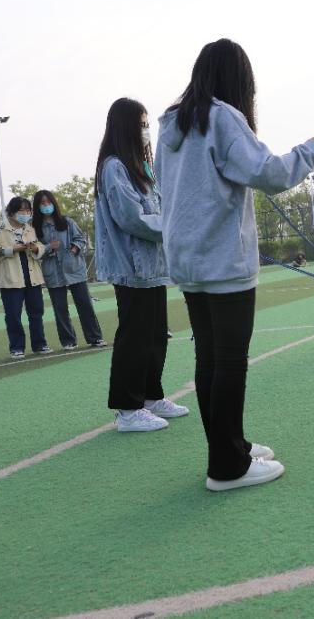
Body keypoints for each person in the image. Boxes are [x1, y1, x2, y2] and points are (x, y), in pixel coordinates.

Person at [156, 38, 314, 491]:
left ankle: (230, 447)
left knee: (210, 358)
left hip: (188, 259)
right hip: (222, 257)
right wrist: (310, 150)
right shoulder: (222, 117)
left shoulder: (173, 124)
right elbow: (269, 173)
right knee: (229, 362)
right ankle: (227, 466)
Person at [95, 97, 188, 432]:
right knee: (134, 337)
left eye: (147, 124)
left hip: (153, 266)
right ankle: (127, 408)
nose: (146, 130)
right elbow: (131, 217)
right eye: (142, 123)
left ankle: (151, 396)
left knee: (156, 334)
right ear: (125, 126)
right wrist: (172, 227)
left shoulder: (142, 167)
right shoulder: (114, 167)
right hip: (131, 267)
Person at [32, 190, 106, 350]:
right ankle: (68, 341)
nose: (46, 206)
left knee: (85, 304)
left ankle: (95, 338)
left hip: (74, 269)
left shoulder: (67, 222)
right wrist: (49, 247)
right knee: (60, 309)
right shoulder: (35, 228)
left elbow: (80, 239)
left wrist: (74, 249)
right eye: (42, 203)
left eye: (48, 202)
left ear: (53, 203)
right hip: (53, 273)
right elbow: (35, 251)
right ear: (37, 207)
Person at [0, 197, 52, 359]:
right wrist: (12, 249)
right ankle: (17, 347)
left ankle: (40, 344)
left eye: (28, 211)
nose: (25, 214)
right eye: (21, 211)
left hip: (32, 277)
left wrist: (36, 248)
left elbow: (40, 246)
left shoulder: (30, 229)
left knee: (36, 312)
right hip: (11, 279)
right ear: (11, 212)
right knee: (13, 315)